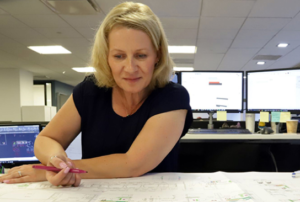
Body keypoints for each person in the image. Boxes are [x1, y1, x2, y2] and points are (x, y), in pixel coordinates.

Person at [0, 2, 192, 186]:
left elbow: (132, 164)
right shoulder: (90, 91)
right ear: (106, 56)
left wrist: (45, 172)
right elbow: (46, 139)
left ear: (157, 55)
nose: (130, 68)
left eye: (141, 55)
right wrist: (56, 162)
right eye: (119, 56)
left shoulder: (173, 97)